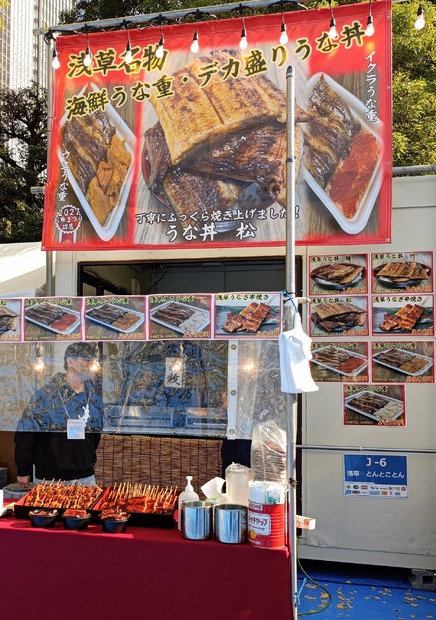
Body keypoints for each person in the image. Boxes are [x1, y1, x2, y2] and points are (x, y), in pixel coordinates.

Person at [14, 342, 104, 487]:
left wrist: (86, 456)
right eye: (86, 359)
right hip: (50, 477)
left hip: (85, 475)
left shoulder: (93, 395)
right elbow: (25, 432)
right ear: (70, 361)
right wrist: (23, 469)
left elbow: (96, 432)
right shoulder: (47, 394)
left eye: (93, 359)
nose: (91, 363)